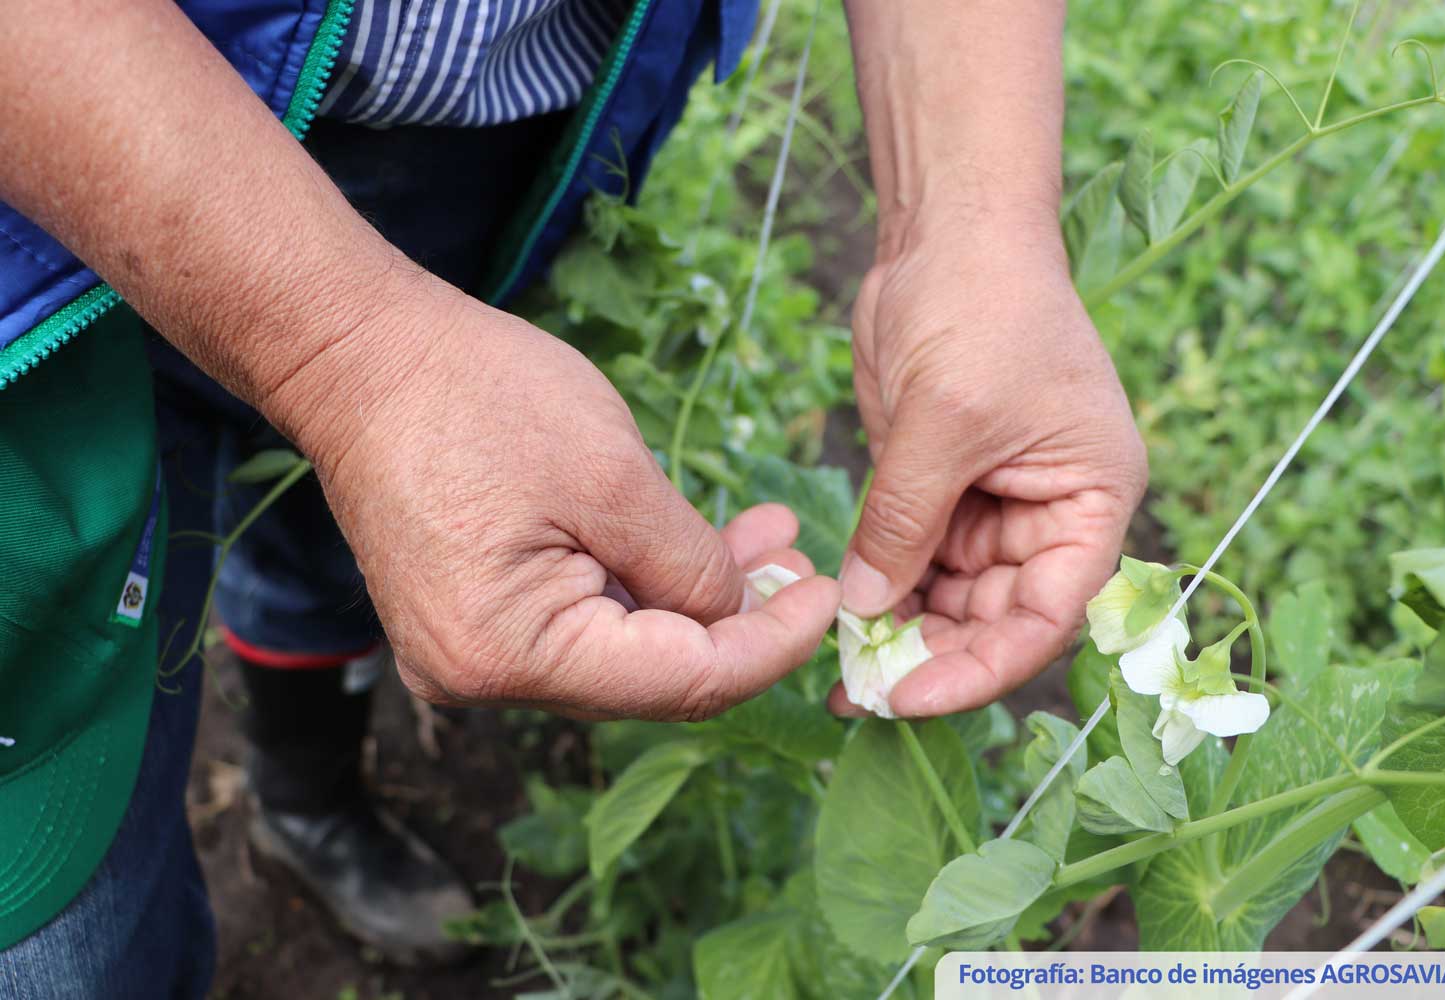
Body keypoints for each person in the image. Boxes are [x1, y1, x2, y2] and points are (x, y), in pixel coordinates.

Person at [0, 0, 1147, 996]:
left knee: (347, 535)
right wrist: (351, 354)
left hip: (476, 135)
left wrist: (973, 223)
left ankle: (308, 801)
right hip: (52, 153)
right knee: (59, 923)